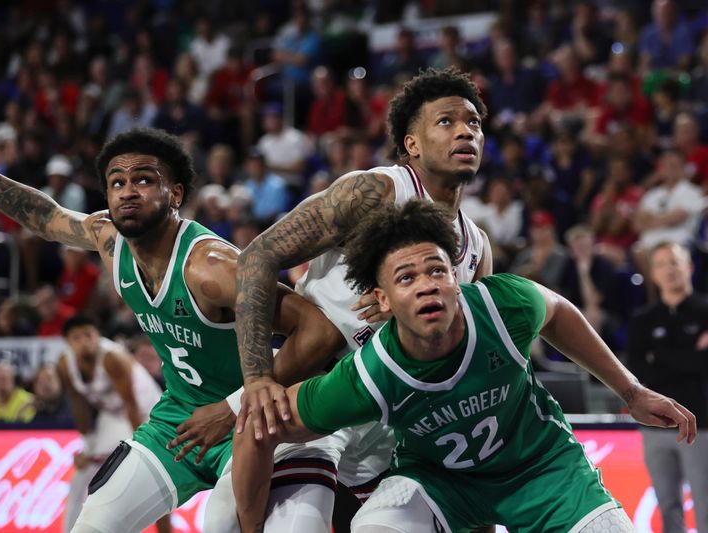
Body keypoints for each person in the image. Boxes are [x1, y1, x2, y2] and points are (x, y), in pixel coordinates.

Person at [0, 121, 341, 533]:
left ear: (175, 193)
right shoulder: (110, 240)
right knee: (92, 522)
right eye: (117, 182)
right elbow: (41, 215)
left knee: (225, 522)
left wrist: (232, 407)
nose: (127, 192)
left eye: (143, 180)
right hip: (180, 420)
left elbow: (319, 332)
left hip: (256, 416)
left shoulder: (212, 268)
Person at [233, 200, 697, 533]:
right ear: (382, 301)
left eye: (436, 270)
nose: (425, 286)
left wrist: (632, 392)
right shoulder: (371, 374)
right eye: (406, 278)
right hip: (442, 482)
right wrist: (250, 523)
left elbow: (558, 311)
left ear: (457, 280)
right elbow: (262, 424)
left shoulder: (500, 304)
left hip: (541, 468)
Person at [227, 68, 493, 532]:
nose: (465, 131)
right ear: (411, 143)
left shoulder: (477, 246)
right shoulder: (376, 191)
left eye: (473, 122)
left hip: (392, 423)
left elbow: (462, 356)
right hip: (313, 398)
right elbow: (258, 257)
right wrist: (256, 381)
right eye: (446, 122)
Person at [627, 242, 708, 533]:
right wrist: (690, 355)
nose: (669, 270)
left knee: (705, 503)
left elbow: (702, 366)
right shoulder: (643, 320)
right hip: (656, 427)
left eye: (674, 262)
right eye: (661, 264)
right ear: (653, 274)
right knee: (667, 506)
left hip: (702, 425)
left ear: (689, 267)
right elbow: (637, 370)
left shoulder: (704, 310)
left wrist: (659, 355)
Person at [57, 313, 163, 533]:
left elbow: (132, 405)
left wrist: (139, 445)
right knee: (82, 475)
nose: (85, 341)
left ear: (98, 336)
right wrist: (87, 444)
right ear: (68, 342)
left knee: (152, 478)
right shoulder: (65, 364)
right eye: (77, 337)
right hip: (113, 413)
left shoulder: (112, 358)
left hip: (146, 413)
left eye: (89, 335)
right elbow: (79, 403)